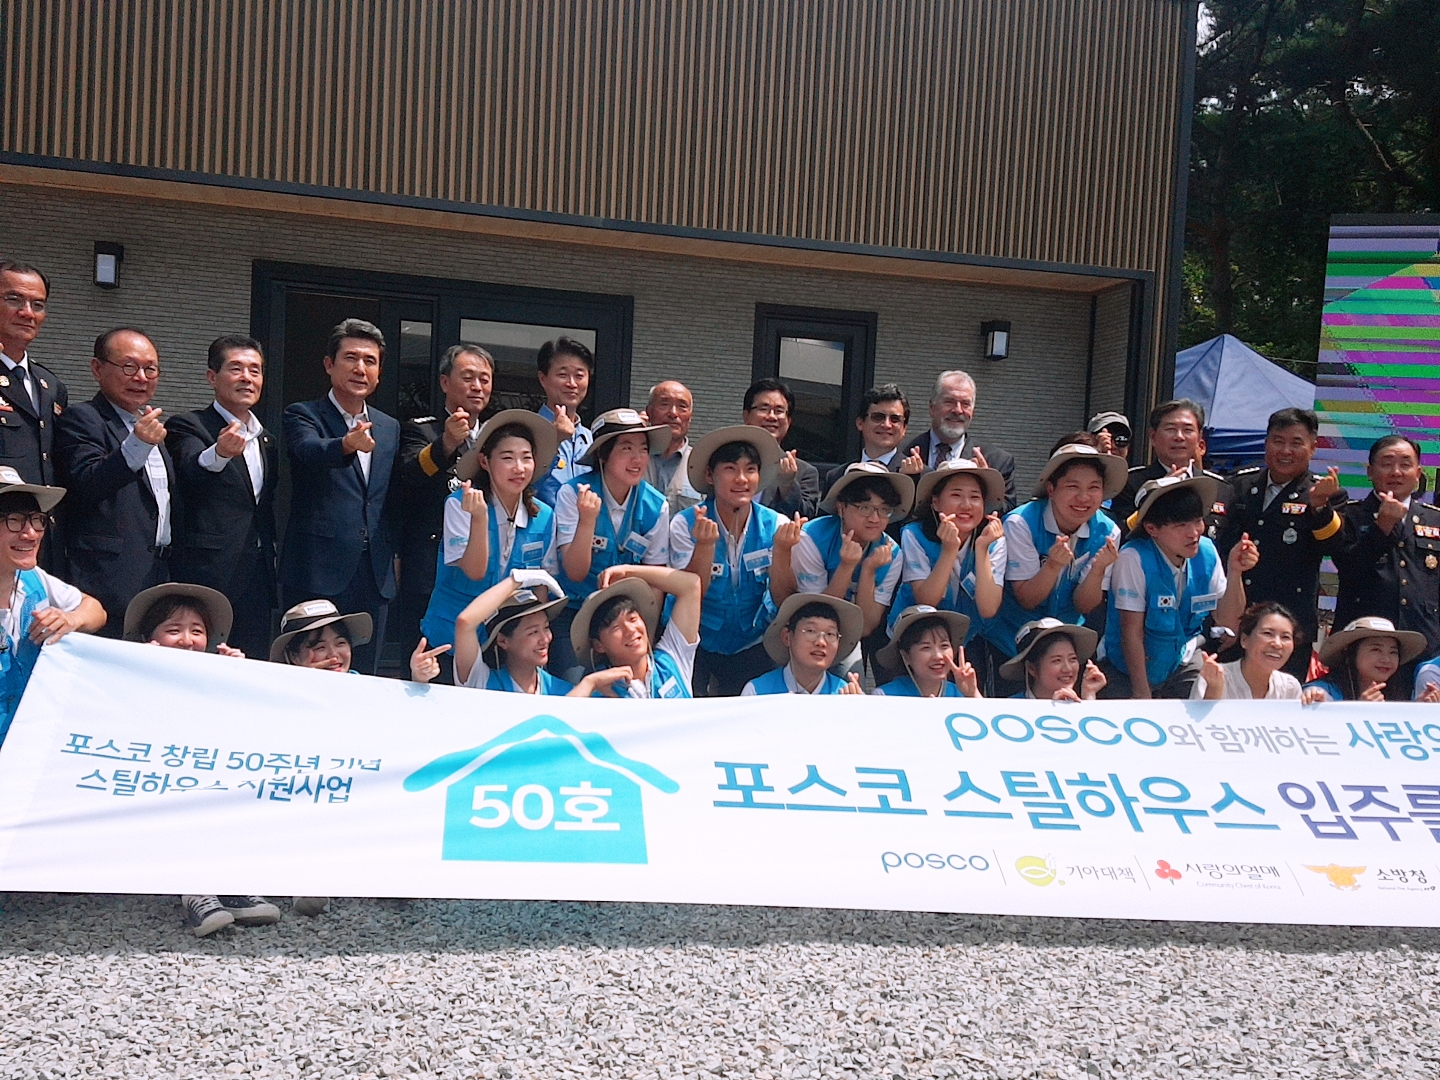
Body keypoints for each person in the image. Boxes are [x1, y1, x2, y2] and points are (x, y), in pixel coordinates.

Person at [123, 583, 278, 936]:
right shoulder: (129, 678)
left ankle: (232, 887)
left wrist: (240, 681)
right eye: (173, 630)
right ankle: (196, 892)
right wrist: (142, 670)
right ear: (150, 638)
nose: (187, 640)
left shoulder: (216, 678)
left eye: (197, 630)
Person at [279, 319, 400, 675]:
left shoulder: (389, 426)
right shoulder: (303, 414)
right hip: (317, 568)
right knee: (311, 668)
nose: (360, 368)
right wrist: (347, 444)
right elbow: (309, 451)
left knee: (367, 673)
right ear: (329, 364)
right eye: (351, 358)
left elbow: (388, 496)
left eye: (370, 361)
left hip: (374, 572)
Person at [54, 328, 175, 636]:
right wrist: (136, 446)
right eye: (129, 367)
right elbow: (87, 483)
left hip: (157, 576)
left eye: (150, 369)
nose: (141, 378)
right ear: (97, 368)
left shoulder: (150, 426)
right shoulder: (83, 418)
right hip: (105, 581)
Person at [166, 335, 279, 659]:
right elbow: (189, 469)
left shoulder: (267, 439)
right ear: (212, 377)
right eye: (236, 368)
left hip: (257, 575)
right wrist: (219, 453)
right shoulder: (189, 425)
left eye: (255, 370)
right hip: (208, 573)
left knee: (251, 662)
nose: (247, 378)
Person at [1098, 475, 1258, 699]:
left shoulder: (1207, 551)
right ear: (1152, 528)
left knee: (1207, 703)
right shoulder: (1133, 557)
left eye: (1197, 521)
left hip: (1182, 660)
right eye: (1181, 525)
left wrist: (1235, 572)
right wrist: (1142, 693)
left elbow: (1228, 621)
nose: (1194, 532)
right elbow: (1131, 632)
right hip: (1126, 669)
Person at [418, 410, 557, 666]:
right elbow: (475, 571)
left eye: (526, 458)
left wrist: (537, 636)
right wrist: (480, 518)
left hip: (508, 645)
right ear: (484, 461)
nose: (519, 468)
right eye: (507, 458)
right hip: (450, 639)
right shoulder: (459, 504)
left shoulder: (544, 515)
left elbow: (541, 585)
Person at [268, 599, 379, 918]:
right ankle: (308, 879)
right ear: (293, 656)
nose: (334, 655)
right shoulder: (275, 697)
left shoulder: (371, 692)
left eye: (341, 643)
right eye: (319, 647)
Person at [1218, 408, 1346, 680]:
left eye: (1296, 443)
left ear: (1313, 448)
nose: (1286, 451)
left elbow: (1334, 547)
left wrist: (1319, 507)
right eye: (1278, 441)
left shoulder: (1324, 492)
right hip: (1235, 624)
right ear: (1266, 443)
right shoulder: (1239, 485)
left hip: (1288, 630)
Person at [392, 344, 495, 659]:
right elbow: (411, 475)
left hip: (484, 569)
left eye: (484, 379)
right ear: (445, 382)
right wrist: (447, 442)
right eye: (468, 377)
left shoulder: (497, 438)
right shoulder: (422, 429)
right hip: (431, 570)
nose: (477, 386)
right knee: (423, 664)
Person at [668, 425, 787, 695]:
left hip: (751, 642)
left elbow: (783, 598)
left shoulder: (777, 525)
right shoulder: (684, 524)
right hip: (695, 639)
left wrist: (783, 552)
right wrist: (704, 546)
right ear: (709, 475)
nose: (741, 479)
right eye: (730, 469)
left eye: (750, 469)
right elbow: (692, 593)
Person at [553, 408, 671, 676]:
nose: (637, 458)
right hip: (574, 610)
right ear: (603, 454)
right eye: (626, 448)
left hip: (623, 614)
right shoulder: (572, 493)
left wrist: (647, 638)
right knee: (573, 682)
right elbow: (574, 572)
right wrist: (587, 520)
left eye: (643, 449)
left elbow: (656, 581)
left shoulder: (656, 506)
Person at [990, 444, 1125, 673]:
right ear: (1051, 489)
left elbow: (1084, 605)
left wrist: (1098, 570)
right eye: (1073, 486)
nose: (1083, 497)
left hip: (1066, 644)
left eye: (1094, 487)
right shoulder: (1020, 523)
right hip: (1011, 639)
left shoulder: (1108, 531)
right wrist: (1052, 566)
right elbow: (1027, 599)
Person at [769, 462, 909, 674]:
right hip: (797, 628)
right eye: (864, 508)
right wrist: (846, 566)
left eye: (884, 510)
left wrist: (868, 571)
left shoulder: (892, 552)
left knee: (852, 682)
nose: (875, 518)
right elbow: (816, 611)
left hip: (845, 633)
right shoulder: (812, 536)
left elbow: (866, 626)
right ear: (841, 508)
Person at [0, 466, 105, 742]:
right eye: (14, 521)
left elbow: (95, 610)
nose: (31, 534)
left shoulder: (34, 578)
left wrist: (71, 620)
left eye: (37, 520)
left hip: (30, 740)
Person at [1332, 435, 1440, 694]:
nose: (1396, 472)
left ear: (1418, 473)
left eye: (1405, 464)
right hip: (1365, 647)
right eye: (1387, 463)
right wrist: (1382, 527)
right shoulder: (1350, 515)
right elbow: (1349, 568)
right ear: (1370, 471)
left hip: (1424, 647)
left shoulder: (1434, 519)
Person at [890, 459, 1005, 687]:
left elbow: (988, 608)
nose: (966, 505)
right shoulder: (914, 534)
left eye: (975, 497)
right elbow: (927, 599)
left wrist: (982, 549)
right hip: (915, 639)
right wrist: (949, 550)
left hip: (968, 639)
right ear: (935, 502)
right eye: (956, 495)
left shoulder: (994, 540)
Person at [444, 569, 595, 695]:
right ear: (503, 640)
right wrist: (516, 580)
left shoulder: (563, 691)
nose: (545, 639)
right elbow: (465, 623)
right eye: (533, 632)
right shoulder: (482, 681)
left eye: (546, 627)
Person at [571, 564, 702, 698]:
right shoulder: (598, 692)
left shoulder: (672, 658)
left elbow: (691, 586)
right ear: (599, 645)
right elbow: (564, 711)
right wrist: (590, 682)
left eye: (633, 619)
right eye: (616, 627)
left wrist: (627, 571)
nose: (630, 630)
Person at [1109, 398, 1229, 540]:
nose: (1179, 437)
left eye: (1188, 430)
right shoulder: (1130, 483)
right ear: (1153, 437)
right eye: (1170, 429)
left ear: (1199, 438)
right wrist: (1157, 495)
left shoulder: (1219, 487)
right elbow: (1119, 536)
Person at [899, 370, 1017, 510]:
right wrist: (904, 483)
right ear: (932, 408)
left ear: (973, 411)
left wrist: (988, 485)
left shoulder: (997, 462)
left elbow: (1008, 512)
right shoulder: (902, 453)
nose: (958, 410)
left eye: (965, 404)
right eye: (949, 402)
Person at [0, 260, 67, 488]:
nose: (27, 313)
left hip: (39, 510)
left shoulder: (51, 385)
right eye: (14, 300)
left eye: (38, 305)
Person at [742, 593, 866, 695]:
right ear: (787, 637)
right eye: (811, 631)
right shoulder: (757, 692)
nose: (821, 642)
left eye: (830, 634)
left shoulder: (845, 695)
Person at [1193, 602, 1311, 701]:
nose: (1277, 644)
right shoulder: (1213, 676)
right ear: (1244, 640)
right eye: (1268, 633)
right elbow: (1197, 721)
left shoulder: (1290, 686)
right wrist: (1213, 691)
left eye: (1285, 637)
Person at [743, 378, 821, 519]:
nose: (772, 417)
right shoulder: (725, 460)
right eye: (764, 409)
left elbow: (805, 519)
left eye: (779, 411)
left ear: (789, 421)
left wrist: (788, 484)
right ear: (746, 416)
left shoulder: (805, 472)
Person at [1304, 616, 1428, 703]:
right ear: (1350, 653)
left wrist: (1419, 710)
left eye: (1393, 652)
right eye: (1376, 650)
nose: (1386, 659)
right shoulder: (1323, 691)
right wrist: (1360, 710)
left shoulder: (1398, 693)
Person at [821, 385, 923, 490]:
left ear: (904, 428)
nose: (886, 425)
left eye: (895, 419)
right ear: (860, 423)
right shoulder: (837, 476)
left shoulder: (922, 477)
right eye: (878, 417)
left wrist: (907, 481)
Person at [534, 337, 595, 507]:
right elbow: (523, 487)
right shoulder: (527, 430)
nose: (572, 383)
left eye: (579, 375)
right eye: (562, 375)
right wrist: (554, 441)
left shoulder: (591, 439)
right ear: (543, 379)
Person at [871, 605, 980, 698]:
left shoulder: (961, 694)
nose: (938, 656)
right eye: (926, 648)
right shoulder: (884, 696)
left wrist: (972, 693)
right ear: (906, 656)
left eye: (944, 646)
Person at [999, 618, 1106, 701]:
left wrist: (1089, 697)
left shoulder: (1078, 703)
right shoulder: (1010, 708)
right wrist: (1053, 709)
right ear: (1032, 668)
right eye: (1057, 660)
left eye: (1072, 659)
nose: (1067, 668)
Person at [644, 380, 702, 516]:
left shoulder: (701, 464)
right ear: (649, 412)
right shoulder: (630, 460)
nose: (673, 413)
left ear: (690, 417)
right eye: (664, 404)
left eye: (682, 407)